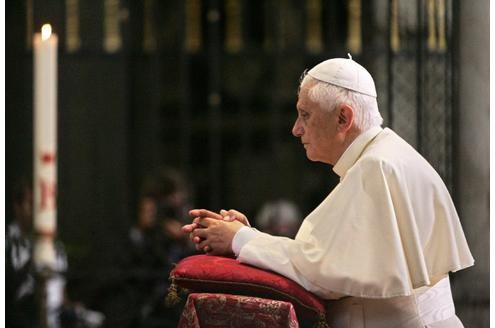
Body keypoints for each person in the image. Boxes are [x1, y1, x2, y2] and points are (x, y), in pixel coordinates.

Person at [182, 55, 474, 327]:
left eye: (305, 114)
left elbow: (320, 274)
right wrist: (251, 238)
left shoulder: (376, 168)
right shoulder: (386, 155)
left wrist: (240, 239)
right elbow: (325, 259)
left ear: (343, 119)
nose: (296, 129)